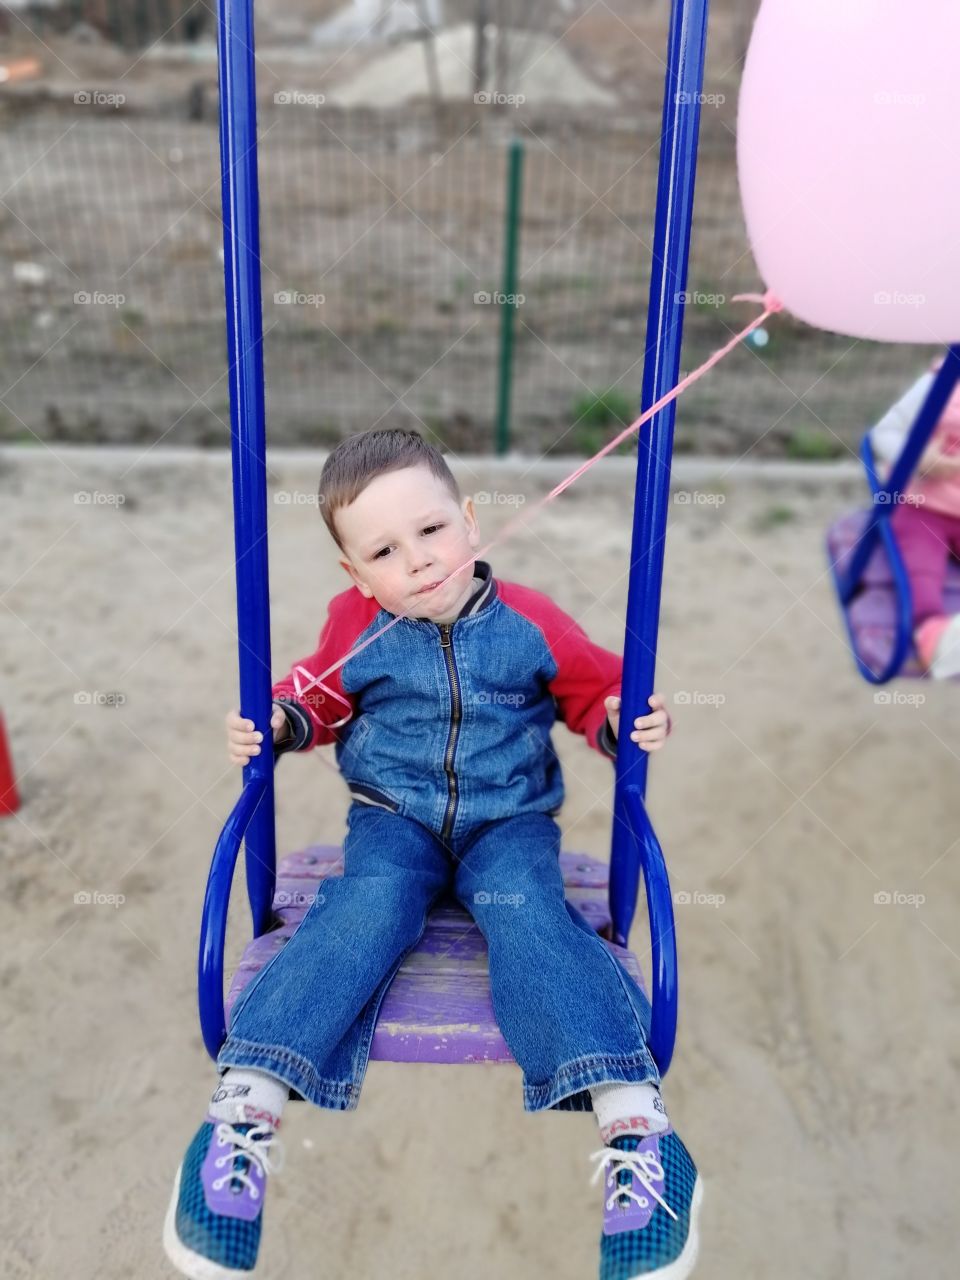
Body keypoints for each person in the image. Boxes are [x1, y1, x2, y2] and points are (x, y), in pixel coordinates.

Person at [163, 429, 703, 1280]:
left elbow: (596, 687)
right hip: (395, 821)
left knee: (531, 920)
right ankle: (244, 1109)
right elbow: (316, 694)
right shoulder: (356, 626)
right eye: (383, 551)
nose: (417, 560)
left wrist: (622, 719)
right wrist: (279, 719)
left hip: (509, 824)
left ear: (470, 522)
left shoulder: (531, 621)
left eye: (431, 530)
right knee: (365, 906)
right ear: (355, 574)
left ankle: (637, 1126)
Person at [871, 355, 960, 677]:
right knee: (921, 566)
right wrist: (920, 458)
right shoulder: (942, 383)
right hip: (922, 504)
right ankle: (934, 634)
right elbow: (885, 433)